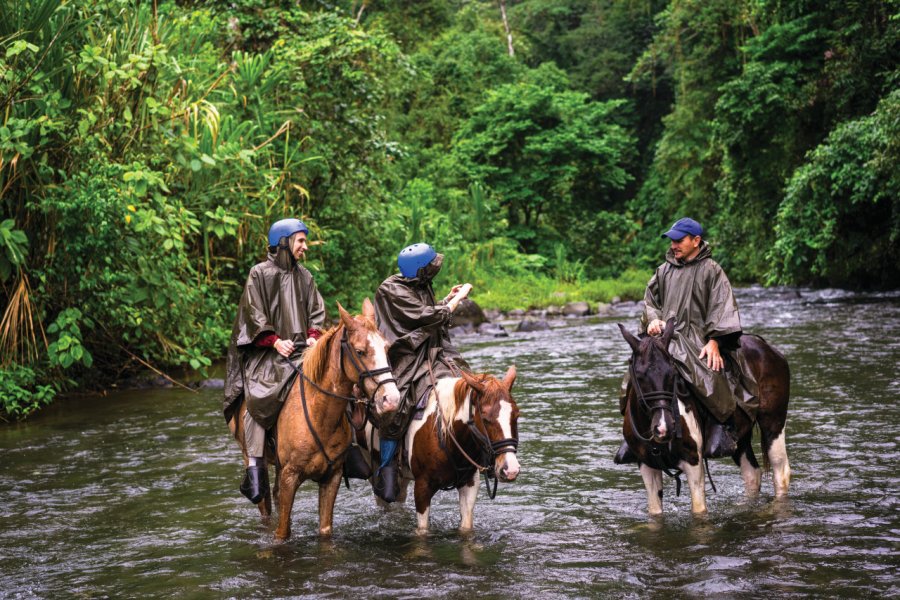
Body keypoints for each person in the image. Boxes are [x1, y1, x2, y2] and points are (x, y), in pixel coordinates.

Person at [616, 217, 759, 463]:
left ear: (696, 241)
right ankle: (634, 436)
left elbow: (723, 307)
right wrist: (653, 320)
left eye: (679, 240)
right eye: (672, 241)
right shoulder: (663, 270)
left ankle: (721, 428)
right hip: (666, 337)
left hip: (699, 340)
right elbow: (650, 302)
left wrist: (715, 340)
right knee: (635, 372)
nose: (674, 245)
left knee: (706, 375)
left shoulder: (712, 270)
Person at [223, 218, 326, 504]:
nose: (305, 246)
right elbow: (253, 314)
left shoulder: (305, 276)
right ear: (284, 242)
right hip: (266, 355)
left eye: (305, 241)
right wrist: (274, 341)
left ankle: (345, 452)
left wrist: (315, 336)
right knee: (258, 398)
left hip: (303, 351)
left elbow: (317, 310)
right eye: (301, 241)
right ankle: (255, 467)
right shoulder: (259, 274)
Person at [371, 243, 472, 502]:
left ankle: (479, 455)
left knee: (471, 389)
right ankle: (387, 467)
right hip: (407, 356)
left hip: (435, 351)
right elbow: (425, 317)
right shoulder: (390, 289)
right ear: (419, 270)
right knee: (396, 408)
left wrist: (447, 299)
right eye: (430, 267)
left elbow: (426, 313)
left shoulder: (419, 284)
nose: (434, 270)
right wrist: (458, 301)